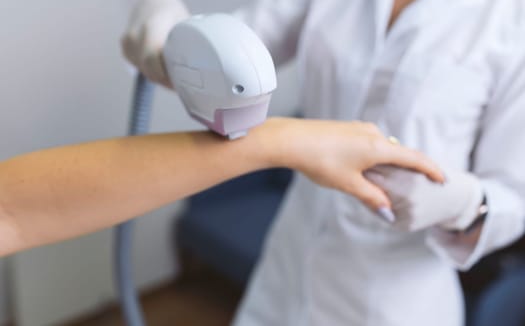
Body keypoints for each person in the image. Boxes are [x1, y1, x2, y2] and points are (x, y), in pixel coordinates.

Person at [122, 0, 525, 325]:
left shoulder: (511, 10)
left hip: (393, 299)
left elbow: (514, 196)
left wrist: (465, 203)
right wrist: (169, 46)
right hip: (286, 269)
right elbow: (232, 62)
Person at [0, 118, 441, 257]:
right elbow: (12, 212)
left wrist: (464, 203)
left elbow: (12, 213)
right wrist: (284, 141)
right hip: (293, 255)